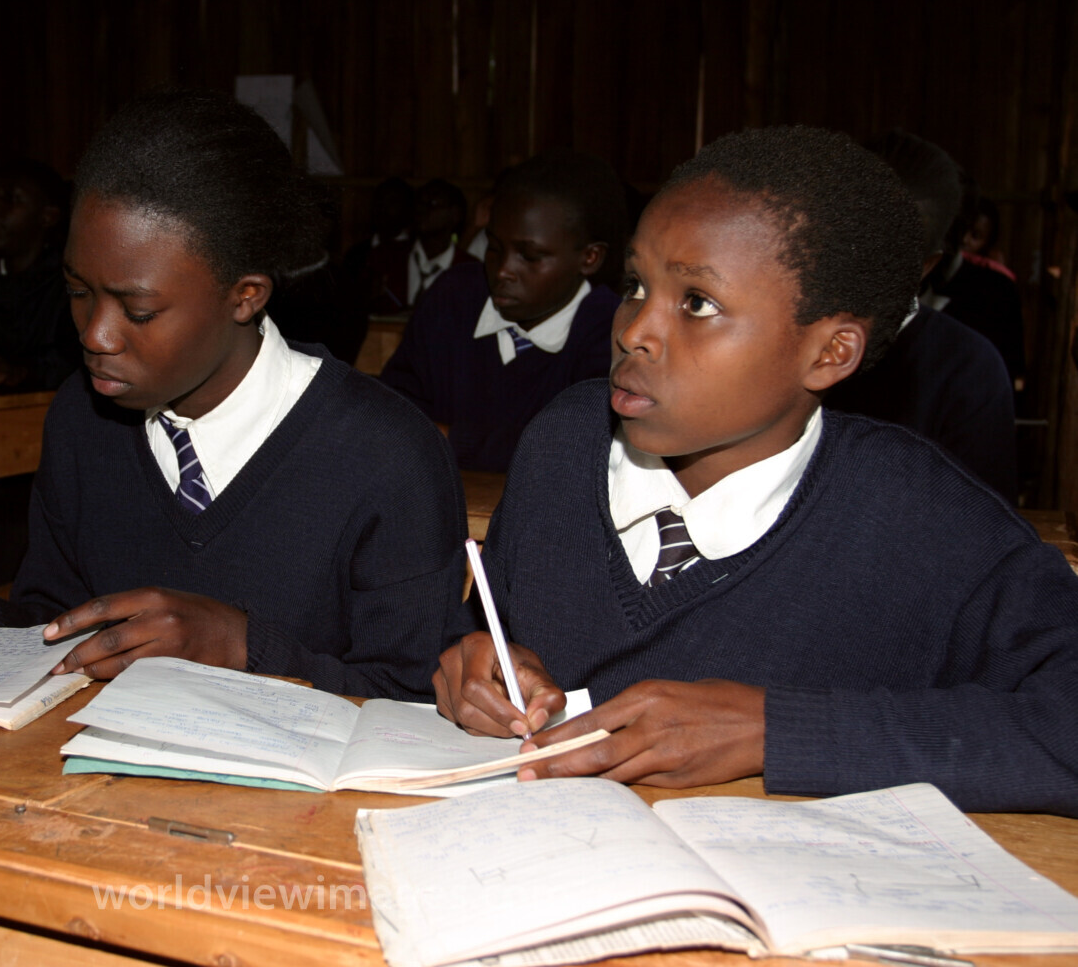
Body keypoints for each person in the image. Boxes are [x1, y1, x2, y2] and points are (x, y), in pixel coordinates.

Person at [0, 90, 468, 702]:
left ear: (245, 296)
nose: (96, 334)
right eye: (79, 292)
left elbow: (414, 697)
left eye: (137, 310)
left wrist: (242, 646)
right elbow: (58, 628)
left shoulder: (385, 454)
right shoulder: (84, 420)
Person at [433, 126, 1078, 816]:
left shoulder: (922, 519)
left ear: (829, 353)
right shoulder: (565, 443)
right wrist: (477, 663)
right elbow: (489, 630)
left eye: (697, 303)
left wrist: (777, 730)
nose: (634, 330)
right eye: (635, 285)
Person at [379, 152, 627, 471]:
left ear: (590, 258)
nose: (503, 270)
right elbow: (391, 414)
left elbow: (574, 448)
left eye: (530, 256)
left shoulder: (612, 331)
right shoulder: (453, 297)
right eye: (494, 247)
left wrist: (449, 439)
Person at [824, 130, 1017, 502]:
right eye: (847, 241)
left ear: (926, 266)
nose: (859, 266)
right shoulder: (777, 333)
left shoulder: (968, 370)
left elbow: (984, 524)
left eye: (888, 257)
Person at [0, 159, 81, 392]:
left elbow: (74, 364)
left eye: (11, 199)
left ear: (48, 216)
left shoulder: (71, 284)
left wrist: (22, 372)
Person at [363, 179, 478, 311]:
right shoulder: (384, 256)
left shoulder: (470, 270)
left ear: (455, 214)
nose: (421, 210)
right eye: (419, 203)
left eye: (432, 203)